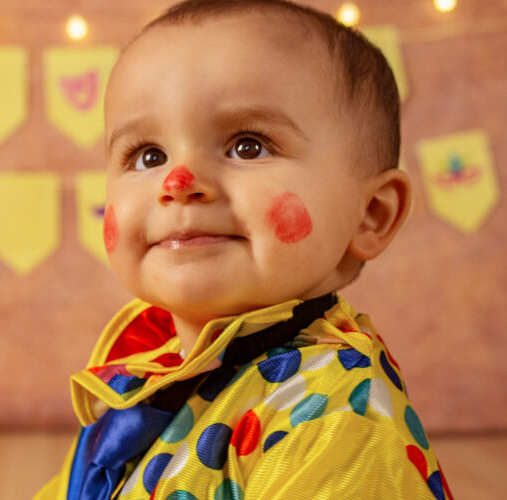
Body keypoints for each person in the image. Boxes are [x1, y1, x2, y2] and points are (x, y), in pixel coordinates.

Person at [35, 1, 452, 499]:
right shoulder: (144, 378)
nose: (179, 182)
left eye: (247, 145)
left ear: (371, 214)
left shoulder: (337, 421)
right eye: (148, 155)